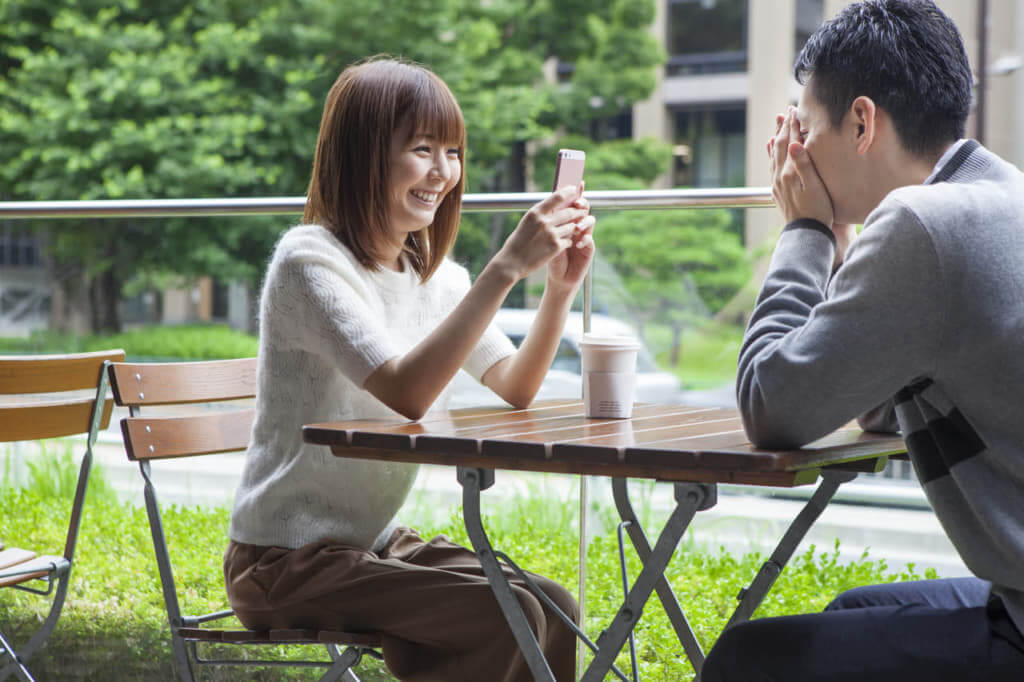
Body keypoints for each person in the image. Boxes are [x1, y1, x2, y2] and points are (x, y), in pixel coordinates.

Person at [223, 56, 594, 682]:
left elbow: (516, 385)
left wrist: (557, 291)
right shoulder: (310, 262)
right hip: (284, 561)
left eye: (452, 151)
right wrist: (504, 269)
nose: (443, 172)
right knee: (500, 615)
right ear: (364, 155)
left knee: (553, 607)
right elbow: (406, 392)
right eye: (423, 149)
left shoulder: (436, 279)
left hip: (370, 542)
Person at [701, 2, 1024, 681]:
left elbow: (774, 405)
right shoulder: (999, 195)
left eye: (805, 125)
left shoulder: (926, 223)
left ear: (861, 122)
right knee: (855, 609)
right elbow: (876, 398)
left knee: (745, 660)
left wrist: (807, 234)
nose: (795, 152)